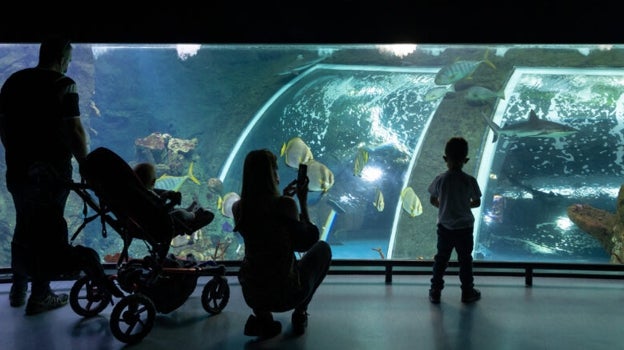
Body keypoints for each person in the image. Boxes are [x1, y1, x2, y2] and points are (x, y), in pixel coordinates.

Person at [0, 36, 121, 315]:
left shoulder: (13, 82)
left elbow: (3, 125)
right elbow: (75, 130)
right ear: (62, 58)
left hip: (18, 170)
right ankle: (40, 294)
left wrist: (16, 154)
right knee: (48, 230)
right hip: (51, 174)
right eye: (68, 59)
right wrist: (86, 165)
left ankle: (18, 289)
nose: (68, 65)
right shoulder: (63, 85)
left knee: (24, 224)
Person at [232, 149, 332, 338]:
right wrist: (301, 202)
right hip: (285, 294)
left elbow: (267, 226)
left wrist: (286, 200)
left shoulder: (239, 207)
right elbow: (307, 241)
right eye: (275, 169)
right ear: (271, 175)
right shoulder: (285, 205)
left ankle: (263, 318)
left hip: (253, 294)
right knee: (323, 249)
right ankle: (300, 312)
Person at [427, 136, 482, 304]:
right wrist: (464, 206)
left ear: (445, 159)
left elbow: (432, 199)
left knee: (441, 259)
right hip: (464, 228)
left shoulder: (440, 179)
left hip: (444, 227)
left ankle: (435, 291)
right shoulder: (469, 180)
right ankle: (467, 292)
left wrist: (444, 207)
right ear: (466, 160)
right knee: (465, 260)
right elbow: (477, 201)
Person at [133, 162, 214, 232]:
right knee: (183, 213)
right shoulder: (148, 196)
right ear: (153, 181)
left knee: (177, 211)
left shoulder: (136, 194)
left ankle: (187, 210)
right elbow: (160, 212)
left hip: (146, 224)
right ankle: (192, 216)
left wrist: (165, 196)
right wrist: (173, 202)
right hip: (160, 227)